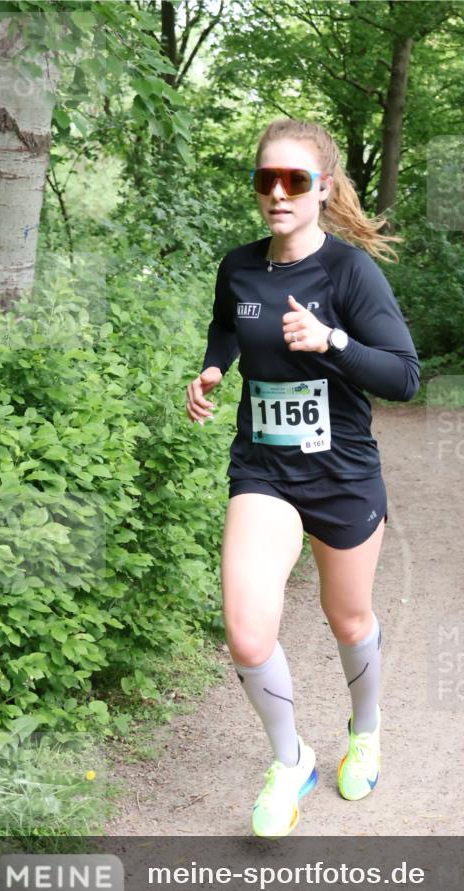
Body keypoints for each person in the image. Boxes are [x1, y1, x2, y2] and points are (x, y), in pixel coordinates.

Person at [185, 117, 420, 838]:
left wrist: (333, 341)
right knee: (248, 633)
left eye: (295, 180)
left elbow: (404, 376)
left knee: (347, 616)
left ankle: (367, 730)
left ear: (322, 188)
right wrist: (215, 366)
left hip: (342, 472)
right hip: (263, 468)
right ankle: (291, 763)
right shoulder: (240, 265)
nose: (278, 193)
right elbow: (228, 324)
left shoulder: (350, 272)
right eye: (266, 179)